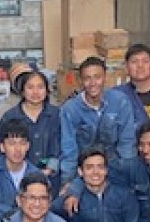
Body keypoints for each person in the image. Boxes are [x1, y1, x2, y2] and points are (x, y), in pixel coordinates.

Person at [59, 56, 138, 184]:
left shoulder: (120, 101)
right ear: (80, 81)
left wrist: (129, 176)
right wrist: (68, 182)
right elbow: (69, 149)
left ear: (105, 77)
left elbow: (127, 142)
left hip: (115, 165)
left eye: (97, 77)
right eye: (87, 78)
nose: (93, 83)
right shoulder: (70, 109)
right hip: (84, 169)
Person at [0, 68, 62, 194]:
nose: (35, 92)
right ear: (22, 90)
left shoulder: (57, 115)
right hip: (18, 180)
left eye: (40, 87)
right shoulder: (10, 117)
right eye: (30, 87)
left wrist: (50, 169)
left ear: (47, 90)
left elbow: (64, 146)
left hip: (52, 180)